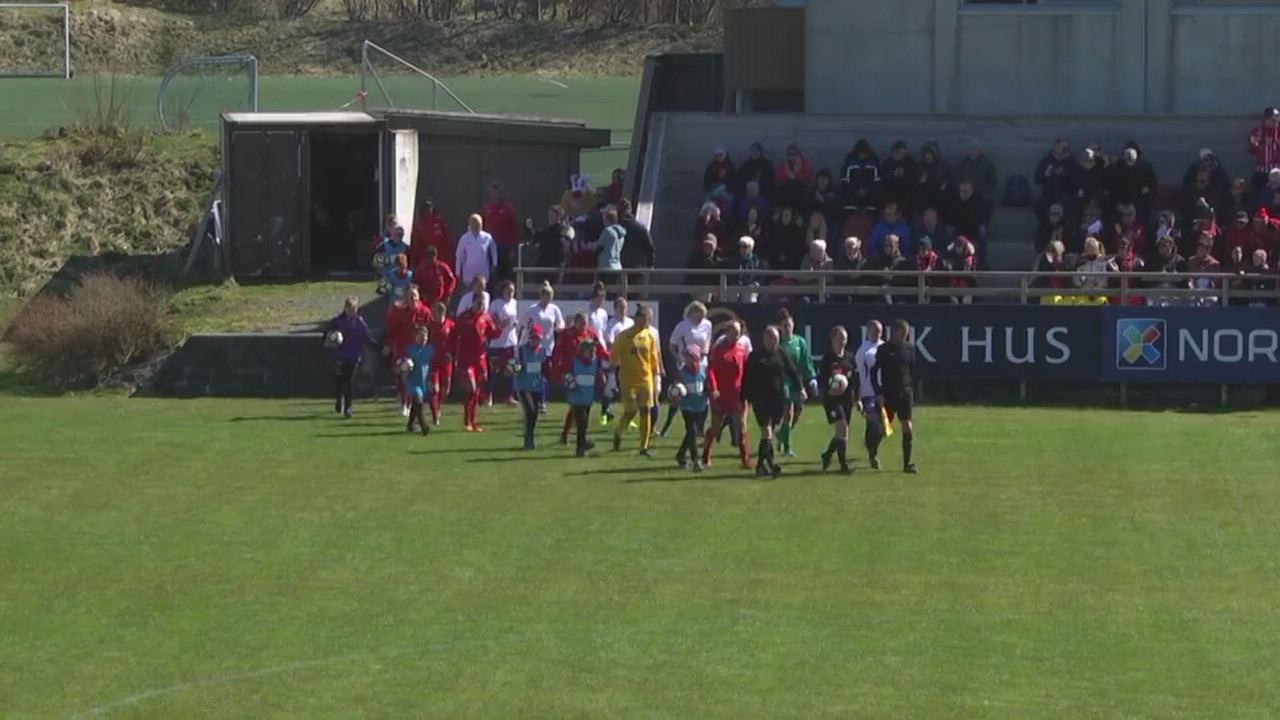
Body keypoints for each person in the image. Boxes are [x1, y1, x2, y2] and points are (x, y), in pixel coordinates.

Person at [742, 325, 804, 478]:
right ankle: (771, 464)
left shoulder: (781, 353)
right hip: (760, 399)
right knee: (767, 431)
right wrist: (743, 399)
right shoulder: (755, 356)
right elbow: (747, 379)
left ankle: (761, 466)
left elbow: (792, 370)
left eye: (775, 339)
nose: (772, 342)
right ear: (764, 339)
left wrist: (801, 388)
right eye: (770, 339)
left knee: (767, 434)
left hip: (778, 399)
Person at [610, 304, 664, 456]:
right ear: (637, 318)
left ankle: (643, 446)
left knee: (645, 410)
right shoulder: (623, 336)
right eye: (644, 318)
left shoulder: (650, 336)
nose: (647, 322)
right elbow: (614, 359)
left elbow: (653, 359)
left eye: (648, 319)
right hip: (627, 379)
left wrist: (656, 374)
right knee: (630, 411)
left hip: (645, 379)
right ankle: (618, 433)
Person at [551, 311, 608, 445]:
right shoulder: (566, 334)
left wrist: (611, 357)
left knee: (580, 405)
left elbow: (600, 350)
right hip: (570, 373)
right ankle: (580, 438)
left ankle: (569, 435)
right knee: (577, 405)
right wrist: (557, 370)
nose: (584, 327)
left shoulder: (591, 334)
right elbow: (557, 353)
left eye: (585, 324)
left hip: (586, 373)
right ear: (575, 322)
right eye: (581, 323)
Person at [702, 319, 752, 469]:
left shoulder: (742, 351)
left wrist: (747, 391)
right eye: (734, 333)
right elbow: (711, 371)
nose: (736, 336)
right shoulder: (719, 350)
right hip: (721, 395)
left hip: (737, 395)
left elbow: (746, 373)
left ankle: (745, 459)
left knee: (742, 426)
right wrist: (714, 389)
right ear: (727, 332)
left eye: (739, 333)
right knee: (716, 427)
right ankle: (706, 456)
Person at [870, 318, 918, 473]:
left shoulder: (909, 349)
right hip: (889, 394)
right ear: (894, 332)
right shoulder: (884, 349)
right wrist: (878, 392)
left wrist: (911, 389)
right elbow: (873, 372)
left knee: (907, 427)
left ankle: (907, 463)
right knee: (885, 429)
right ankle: (873, 452)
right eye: (901, 333)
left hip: (905, 393)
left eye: (906, 333)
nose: (903, 336)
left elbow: (912, 370)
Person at [661, 301, 713, 438]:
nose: (700, 316)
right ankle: (668, 425)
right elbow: (672, 345)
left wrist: (705, 351)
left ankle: (700, 427)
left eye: (702, 314)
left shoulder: (707, 325)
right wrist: (679, 358)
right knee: (680, 393)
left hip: (701, 364)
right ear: (691, 313)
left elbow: (707, 340)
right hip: (685, 363)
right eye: (697, 313)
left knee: (702, 394)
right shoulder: (683, 326)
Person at [452, 293, 501, 432]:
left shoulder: (486, 317)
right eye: (479, 303)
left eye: (483, 304)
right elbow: (455, 336)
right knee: (471, 389)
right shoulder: (463, 318)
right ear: (473, 303)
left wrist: (502, 327)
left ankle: (472, 422)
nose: (481, 306)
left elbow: (493, 333)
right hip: (466, 359)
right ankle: (468, 420)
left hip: (480, 359)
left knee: (477, 392)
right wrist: (453, 353)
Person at [383, 286, 433, 417]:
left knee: (418, 379)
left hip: (419, 352)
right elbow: (392, 329)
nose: (413, 298)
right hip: (403, 350)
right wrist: (389, 345)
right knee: (403, 377)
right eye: (410, 296)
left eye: (415, 295)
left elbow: (431, 330)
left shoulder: (425, 312)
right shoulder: (399, 311)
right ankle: (405, 403)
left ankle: (413, 405)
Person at [521, 282, 566, 413]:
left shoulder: (554, 309)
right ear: (541, 296)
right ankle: (535, 399)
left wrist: (559, 328)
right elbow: (524, 323)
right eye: (546, 296)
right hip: (536, 347)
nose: (548, 299)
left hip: (548, 346)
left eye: (550, 296)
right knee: (536, 374)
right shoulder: (533, 309)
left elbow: (561, 322)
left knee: (545, 374)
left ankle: (543, 401)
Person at [776, 308, 816, 457]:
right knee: (789, 412)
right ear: (780, 327)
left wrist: (812, 378)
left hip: (797, 383)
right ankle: (787, 447)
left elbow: (806, 362)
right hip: (783, 383)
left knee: (798, 412)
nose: (787, 328)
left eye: (789, 325)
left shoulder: (800, 342)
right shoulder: (779, 344)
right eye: (784, 325)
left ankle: (782, 435)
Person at [817, 325, 857, 474]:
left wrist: (857, 399)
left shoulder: (850, 358)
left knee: (843, 433)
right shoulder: (827, 360)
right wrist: (830, 391)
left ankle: (827, 455)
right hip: (832, 400)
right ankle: (843, 465)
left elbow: (854, 381)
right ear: (832, 340)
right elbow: (822, 383)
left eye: (844, 339)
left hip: (847, 399)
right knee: (841, 426)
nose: (842, 342)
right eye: (839, 339)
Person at [326, 296, 372, 419]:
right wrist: (330, 339)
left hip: (354, 356)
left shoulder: (359, 322)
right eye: (350, 308)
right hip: (340, 356)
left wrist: (379, 347)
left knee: (349, 382)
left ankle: (348, 408)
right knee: (339, 380)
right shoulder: (337, 321)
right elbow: (326, 333)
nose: (352, 311)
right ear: (345, 308)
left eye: (354, 308)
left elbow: (367, 337)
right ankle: (338, 398)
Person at [673, 345, 715, 472]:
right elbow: (675, 389)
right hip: (687, 407)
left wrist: (712, 391)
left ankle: (680, 454)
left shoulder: (704, 370)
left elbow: (709, 383)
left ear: (697, 358)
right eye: (686, 357)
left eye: (691, 357)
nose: (688, 360)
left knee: (694, 432)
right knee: (691, 430)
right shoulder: (681, 372)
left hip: (701, 405)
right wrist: (676, 395)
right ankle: (696, 459)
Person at [854, 319, 887, 469]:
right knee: (873, 423)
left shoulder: (884, 347)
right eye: (874, 331)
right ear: (868, 332)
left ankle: (870, 443)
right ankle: (873, 455)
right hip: (868, 392)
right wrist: (859, 395)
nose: (876, 334)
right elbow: (859, 373)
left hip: (883, 393)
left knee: (884, 428)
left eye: (879, 331)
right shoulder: (864, 350)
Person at [513, 326, 549, 450]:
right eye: (533, 338)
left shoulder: (542, 351)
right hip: (524, 386)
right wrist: (515, 368)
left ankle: (530, 435)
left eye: (538, 339)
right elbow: (515, 367)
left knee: (534, 414)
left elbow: (544, 369)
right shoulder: (522, 350)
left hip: (537, 386)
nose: (536, 341)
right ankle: (528, 438)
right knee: (530, 410)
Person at [567, 337, 604, 457]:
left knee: (584, 423)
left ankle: (583, 443)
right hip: (577, 399)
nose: (593, 351)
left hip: (588, 399)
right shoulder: (575, 361)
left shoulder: (596, 362)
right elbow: (566, 375)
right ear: (583, 350)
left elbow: (599, 376)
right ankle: (580, 448)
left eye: (594, 348)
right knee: (581, 423)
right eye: (590, 349)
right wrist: (570, 381)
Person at [487, 280, 521, 407]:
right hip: (497, 342)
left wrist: (515, 323)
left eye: (513, 291)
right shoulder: (496, 304)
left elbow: (514, 318)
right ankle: (489, 395)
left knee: (511, 370)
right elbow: (491, 320)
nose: (511, 293)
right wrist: (500, 325)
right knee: (494, 370)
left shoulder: (514, 303)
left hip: (511, 341)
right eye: (508, 290)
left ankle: (509, 396)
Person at [601, 296, 634, 425]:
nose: (623, 310)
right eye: (620, 307)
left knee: (627, 389)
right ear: (615, 309)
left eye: (624, 307)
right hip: (616, 360)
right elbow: (610, 342)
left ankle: (628, 416)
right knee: (610, 388)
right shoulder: (611, 323)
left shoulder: (631, 322)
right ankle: (604, 413)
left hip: (629, 361)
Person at [402, 326, 436, 436]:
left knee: (416, 404)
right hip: (412, 381)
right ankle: (424, 426)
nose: (423, 339)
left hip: (424, 381)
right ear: (416, 337)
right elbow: (402, 363)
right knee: (419, 400)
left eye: (425, 337)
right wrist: (405, 365)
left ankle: (410, 425)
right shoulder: (410, 349)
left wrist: (433, 380)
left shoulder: (430, 349)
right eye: (420, 336)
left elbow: (434, 365)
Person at [426, 300, 455, 426]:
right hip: (433, 361)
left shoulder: (451, 325)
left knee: (446, 389)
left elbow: (455, 341)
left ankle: (438, 406)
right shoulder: (429, 326)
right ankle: (435, 414)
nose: (437, 316)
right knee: (434, 389)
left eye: (440, 313)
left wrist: (453, 354)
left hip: (446, 361)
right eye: (435, 313)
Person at [456, 214, 498, 289]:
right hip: (469, 272)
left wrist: (494, 264)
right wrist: (458, 272)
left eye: (477, 224)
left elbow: (493, 250)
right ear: (469, 224)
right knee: (468, 295)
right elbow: (459, 255)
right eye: (473, 223)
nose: (475, 226)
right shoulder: (464, 238)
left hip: (483, 271)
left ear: (481, 224)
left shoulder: (487, 237)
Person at [410, 200, 452, 270]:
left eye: (430, 206)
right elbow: (416, 245)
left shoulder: (440, 221)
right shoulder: (419, 224)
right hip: (425, 260)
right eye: (427, 207)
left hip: (438, 259)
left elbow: (447, 240)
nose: (429, 209)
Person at [413, 245, 456, 309]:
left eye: (433, 256)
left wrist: (448, 294)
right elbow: (416, 282)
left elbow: (452, 280)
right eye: (429, 257)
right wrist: (420, 294)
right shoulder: (422, 268)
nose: (431, 259)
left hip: (440, 301)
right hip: (426, 301)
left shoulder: (442, 267)